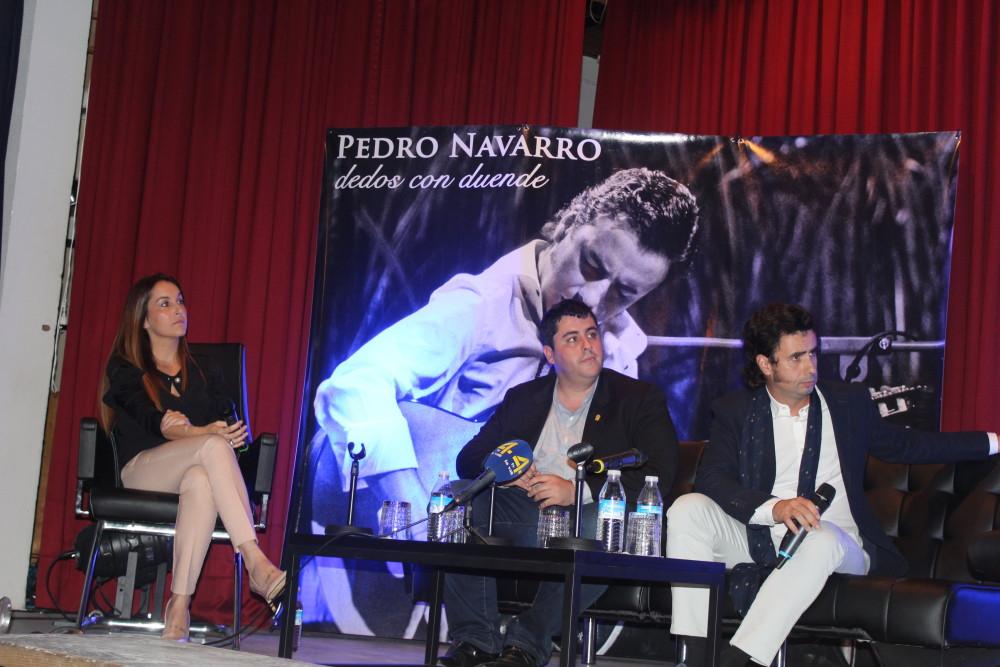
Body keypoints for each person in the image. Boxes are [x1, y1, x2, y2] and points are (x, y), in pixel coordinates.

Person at [665, 303, 998, 667]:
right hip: (759, 536)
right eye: (796, 358)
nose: (810, 367)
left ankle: (742, 660)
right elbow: (713, 477)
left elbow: (908, 445)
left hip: (838, 544)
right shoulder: (736, 410)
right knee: (688, 508)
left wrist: (992, 441)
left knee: (818, 538)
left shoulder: (847, 404)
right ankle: (693, 654)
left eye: (812, 353)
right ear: (765, 364)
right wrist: (776, 507)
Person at [440, 298, 679, 667]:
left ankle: (525, 645)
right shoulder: (524, 398)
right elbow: (468, 460)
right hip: (527, 514)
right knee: (458, 499)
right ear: (550, 354)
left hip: (589, 519)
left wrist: (578, 491)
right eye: (572, 338)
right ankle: (476, 639)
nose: (588, 345)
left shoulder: (638, 398)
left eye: (592, 334)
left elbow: (661, 471)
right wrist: (508, 473)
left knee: (605, 526)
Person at [100, 273, 287, 642]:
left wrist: (232, 436)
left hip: (196, 469)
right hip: (143, 470)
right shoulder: (125, 369)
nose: (178, 310)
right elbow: (156, 423)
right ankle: (255, 562)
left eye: (180, 301)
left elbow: (232, 431)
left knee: (201, 480)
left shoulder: (205, 369)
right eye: (165, 304)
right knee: (212, 446)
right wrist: (204, 433)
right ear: (143, 319)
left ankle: (179, 606)